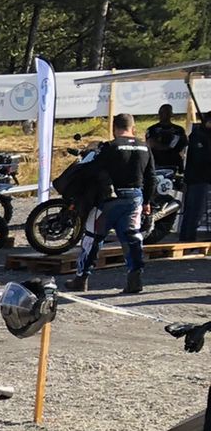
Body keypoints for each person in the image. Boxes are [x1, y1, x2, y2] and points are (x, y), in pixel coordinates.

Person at [64, 111, 157, 295]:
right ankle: (135, 279)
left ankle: (81, 279)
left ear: (114, 129)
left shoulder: (110, 147)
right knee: (132, 238)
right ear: (133, 128)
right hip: (134, 199)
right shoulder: (145, 148)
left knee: (93, 237)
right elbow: (151, 177)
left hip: (109, 200)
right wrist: (147, 201)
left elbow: (91, 170)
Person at [185, 114, 211, 236]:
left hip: (205, 177)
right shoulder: (197, 136)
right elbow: (200, 158)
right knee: (194, 210)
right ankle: (187, 237)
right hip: (197, 178)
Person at [147, 104, 187, 172]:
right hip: (157, 162)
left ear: (171, 114)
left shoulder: (178, 129)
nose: (163, 114)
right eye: (161, 112)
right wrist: (166, 147)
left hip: (174, 161)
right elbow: (150, 143)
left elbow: (183, 145)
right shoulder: (152, 129)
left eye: (167, 112)